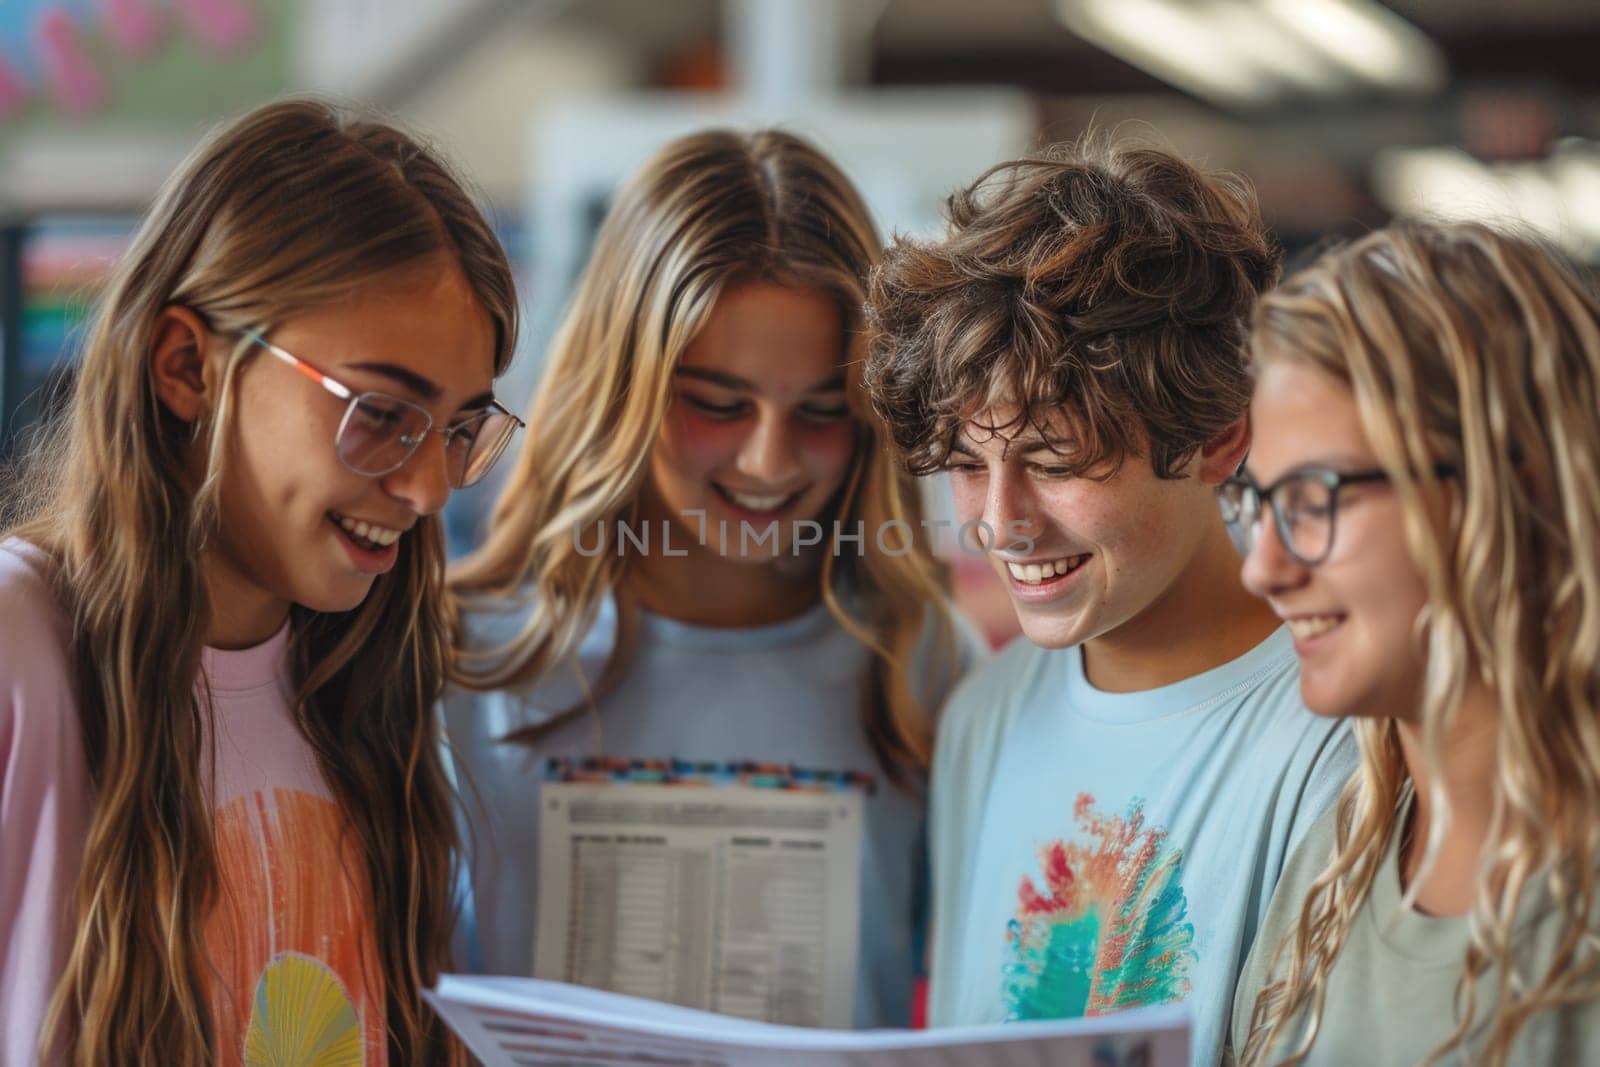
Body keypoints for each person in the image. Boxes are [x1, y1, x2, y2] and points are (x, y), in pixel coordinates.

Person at [0, 99, 521, 1064]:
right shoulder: (22, 642)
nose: (427, 486)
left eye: (459, 429)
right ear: (187, 366)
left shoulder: (368, 679)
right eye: (380, 412)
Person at [442, 128, 980, 1030]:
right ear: (624, 386)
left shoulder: (920, 663)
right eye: (718, 404)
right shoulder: (466, 659)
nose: (770, 461)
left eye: (821, 411)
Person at [862, 137, 1356, 1065]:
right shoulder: (984, 716)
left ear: (1216, 439)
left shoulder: (1333, 739)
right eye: (968, 466)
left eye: (1055, 463)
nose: (1001, 524)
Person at [1230, 222, 1600, 1065]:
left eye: (1316, 497)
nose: (1264, 567)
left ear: (1517, 490)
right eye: (1260, 503)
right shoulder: (1333, 867)